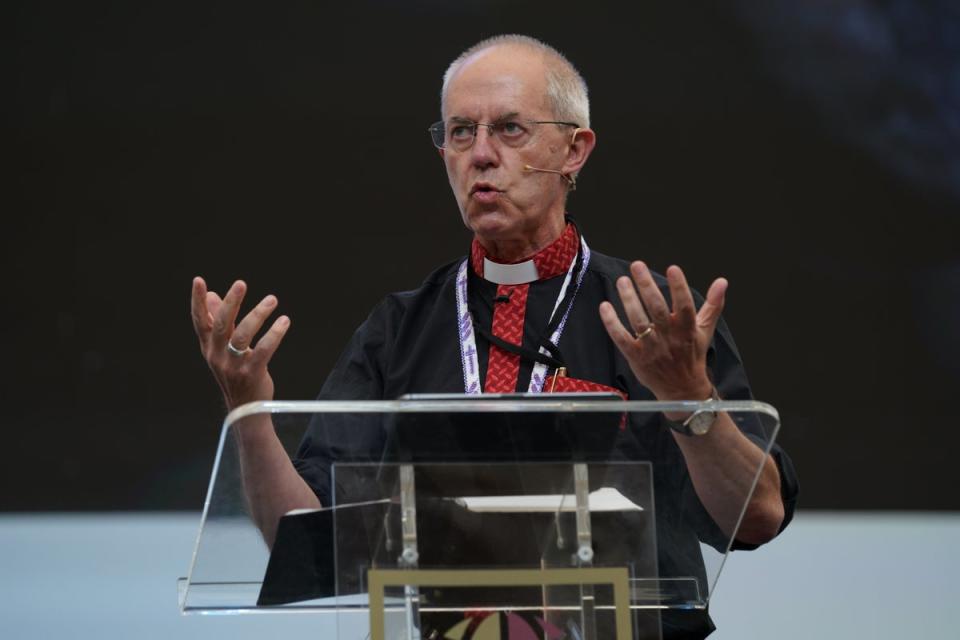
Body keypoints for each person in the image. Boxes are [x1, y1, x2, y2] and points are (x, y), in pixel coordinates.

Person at [191, 34, 798, 638]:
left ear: (574, 150)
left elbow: (758, 517)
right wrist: (248, 408)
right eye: (460, 132)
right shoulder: (399, 329)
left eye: (509, 129)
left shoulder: (656, 322)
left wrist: (687, 395)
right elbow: (303, 541)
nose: (480, 154)